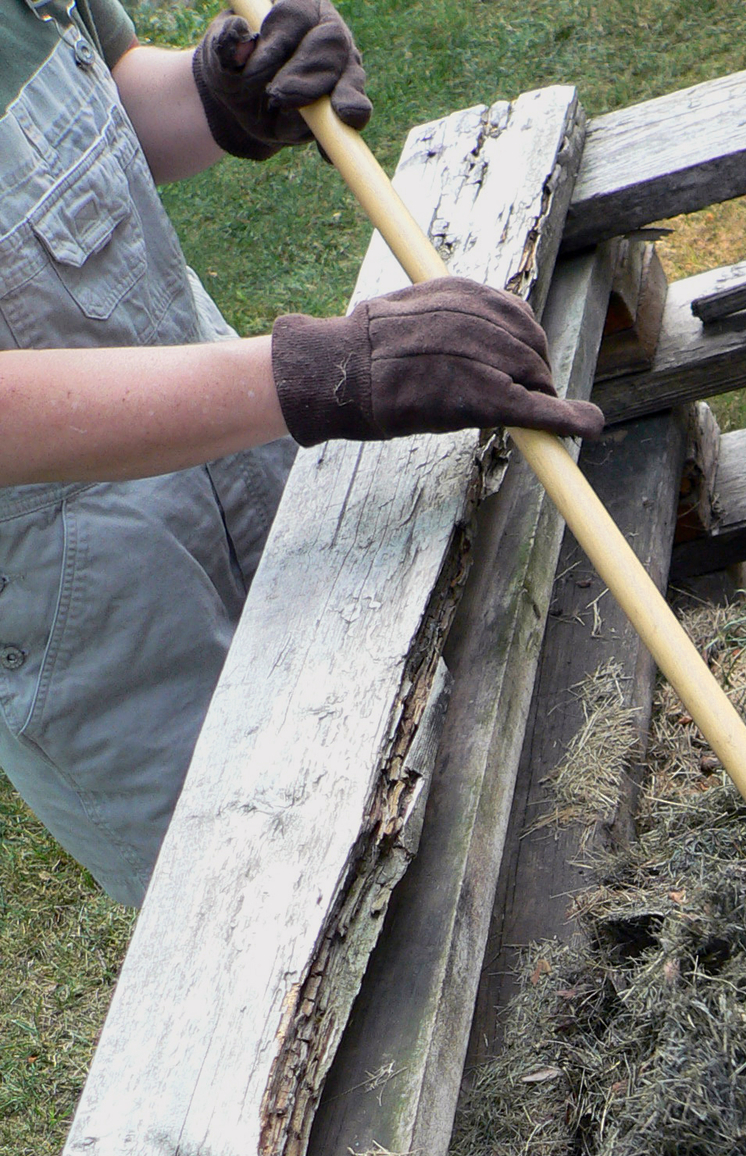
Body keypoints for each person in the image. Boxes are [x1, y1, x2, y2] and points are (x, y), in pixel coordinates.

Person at [0, 0, 602, 904]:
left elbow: (101, 104)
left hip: (233, 434)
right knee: (270, 909)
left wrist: (217, 91)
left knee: (431, 760)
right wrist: (321, 374)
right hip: (85, 612)